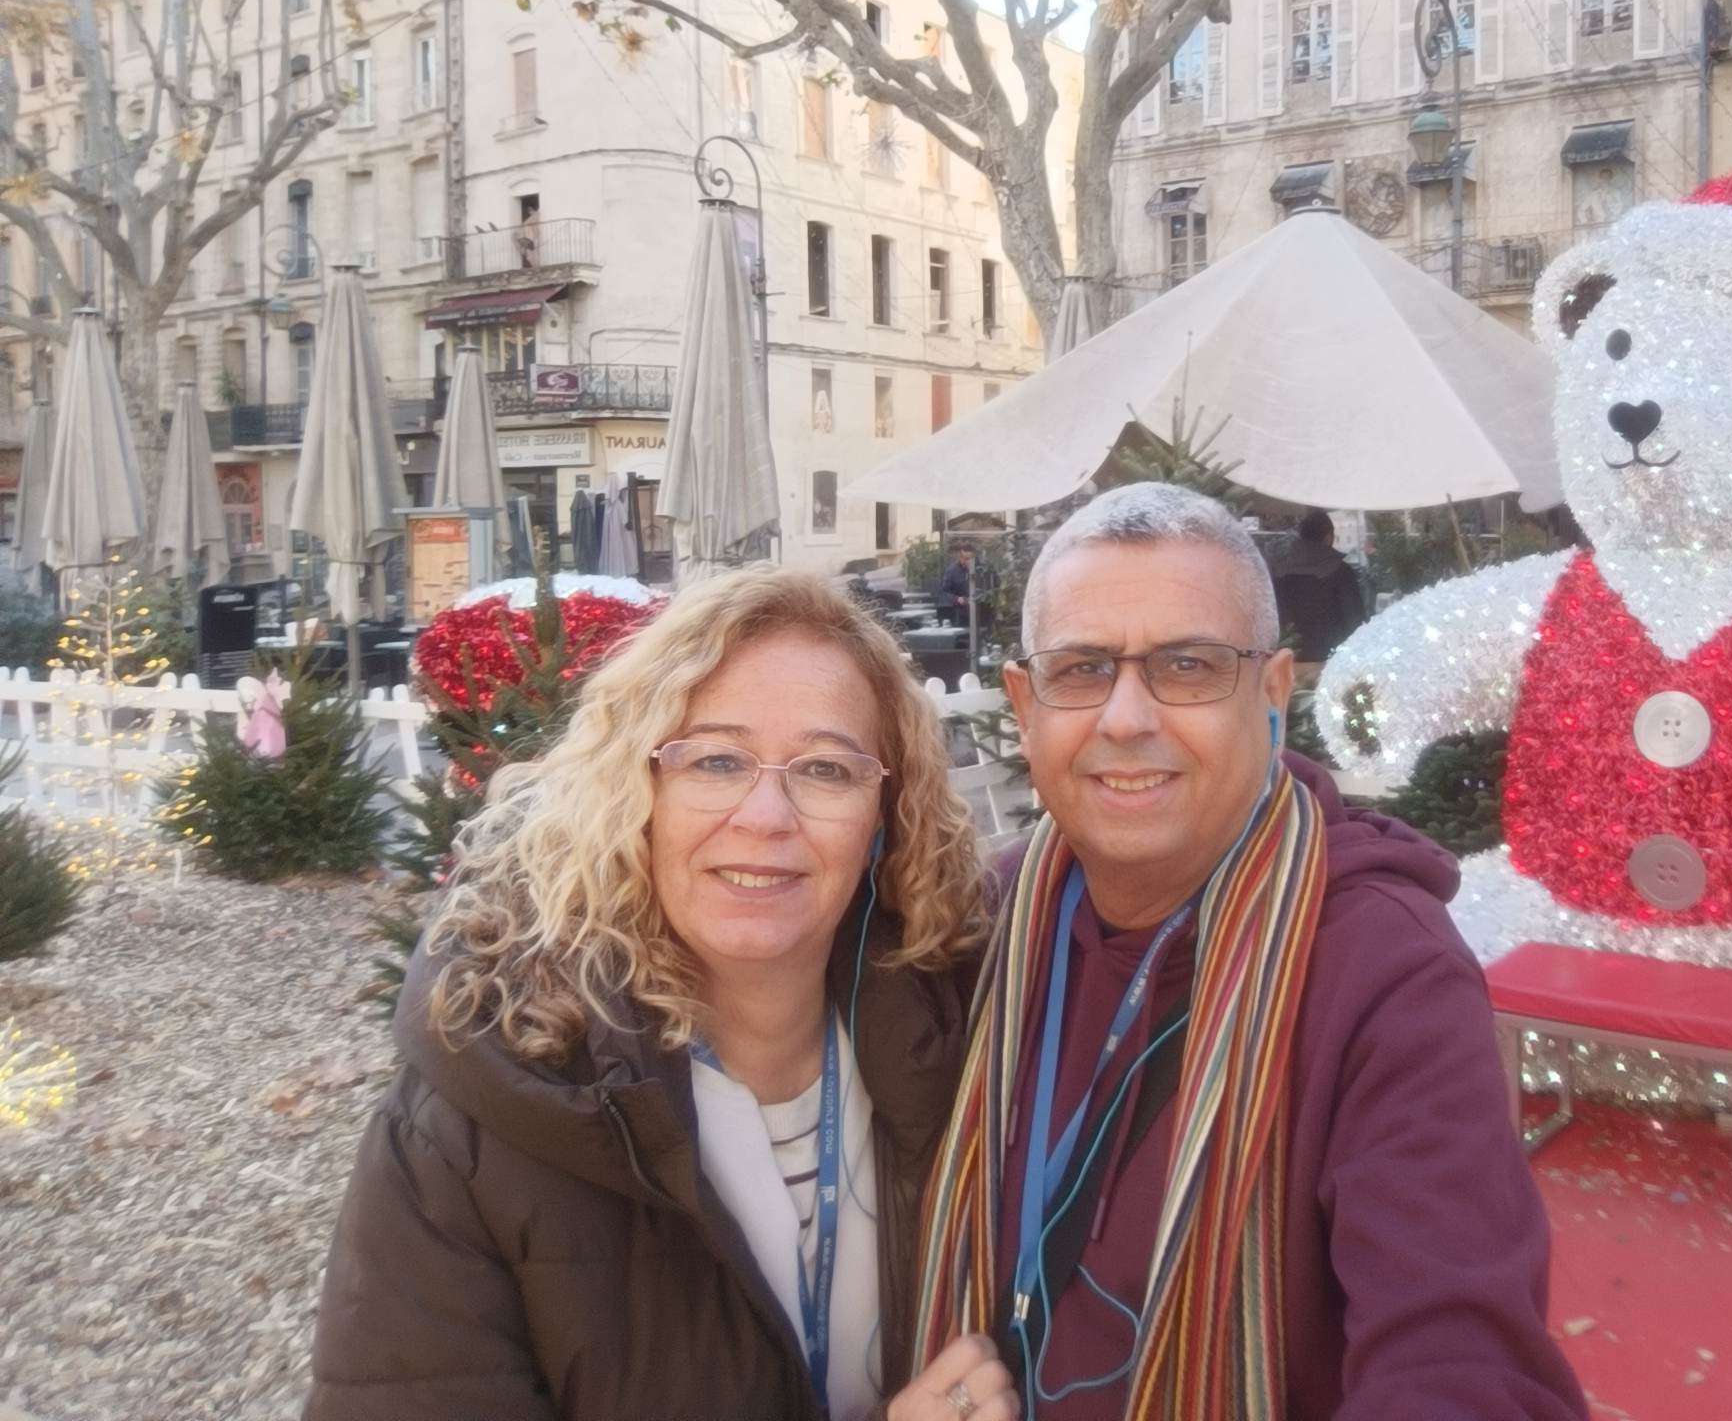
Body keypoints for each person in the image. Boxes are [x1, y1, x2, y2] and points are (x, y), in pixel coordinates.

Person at [914, 484, 1588, 1421]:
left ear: (1271, 694)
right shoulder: (986, 924)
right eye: (1082, 669)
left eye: (1188, 666)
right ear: (1026, 707)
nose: (1125, 718)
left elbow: (1463, 1364)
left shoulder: (1382, 970)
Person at [308, 568, 1019, 1421]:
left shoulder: (971, 1053)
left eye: (826, 769)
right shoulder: (471, 1123)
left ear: (884, 818)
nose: (766, 815)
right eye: (715, 760)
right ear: (636, 795)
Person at [1267, 508, 1365, 666]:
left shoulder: (1279, 572)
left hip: (1288, 658)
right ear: (1329, 537)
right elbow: (1355, 620)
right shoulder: (1341, 572)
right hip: (1332, 661)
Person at [937, 543, 979, 626]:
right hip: (959, 613)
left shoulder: (981, 571)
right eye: (963, 558)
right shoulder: (951, 571)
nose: (964, 561)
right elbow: (944, 593)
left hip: (979, 613)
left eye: (968, 559)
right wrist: (957, 599)